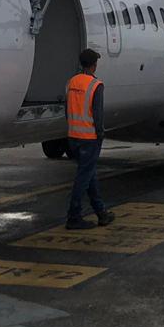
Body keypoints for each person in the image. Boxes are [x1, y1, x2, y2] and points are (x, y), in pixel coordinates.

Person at [64, 49, 115, 230]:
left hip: (73, 136)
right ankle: (73, 216)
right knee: (83, 178)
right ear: (94, 65)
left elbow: (67, 109)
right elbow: (98, 114)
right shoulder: (95, 85)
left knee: (89, 174)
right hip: (89, 138)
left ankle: (101, 213)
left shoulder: (71, 82)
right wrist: (100, 134)